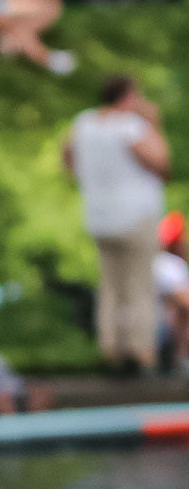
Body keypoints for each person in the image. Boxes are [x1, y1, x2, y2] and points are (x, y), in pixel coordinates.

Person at [65, 75, 170, 372]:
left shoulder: (83, 123)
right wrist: (153, 124)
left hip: (99, 215)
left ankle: (111, 347)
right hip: (135, 215)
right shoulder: (132, 126)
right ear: (128, 96)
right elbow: (161, 161)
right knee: (139, 284)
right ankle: (141, 350)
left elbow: (67, 154)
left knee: (110, 285)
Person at [154, 210, 189, 370]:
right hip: (163, 332)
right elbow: (184, 301)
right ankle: (179, 357)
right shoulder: (170, 264)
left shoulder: (153, 262)